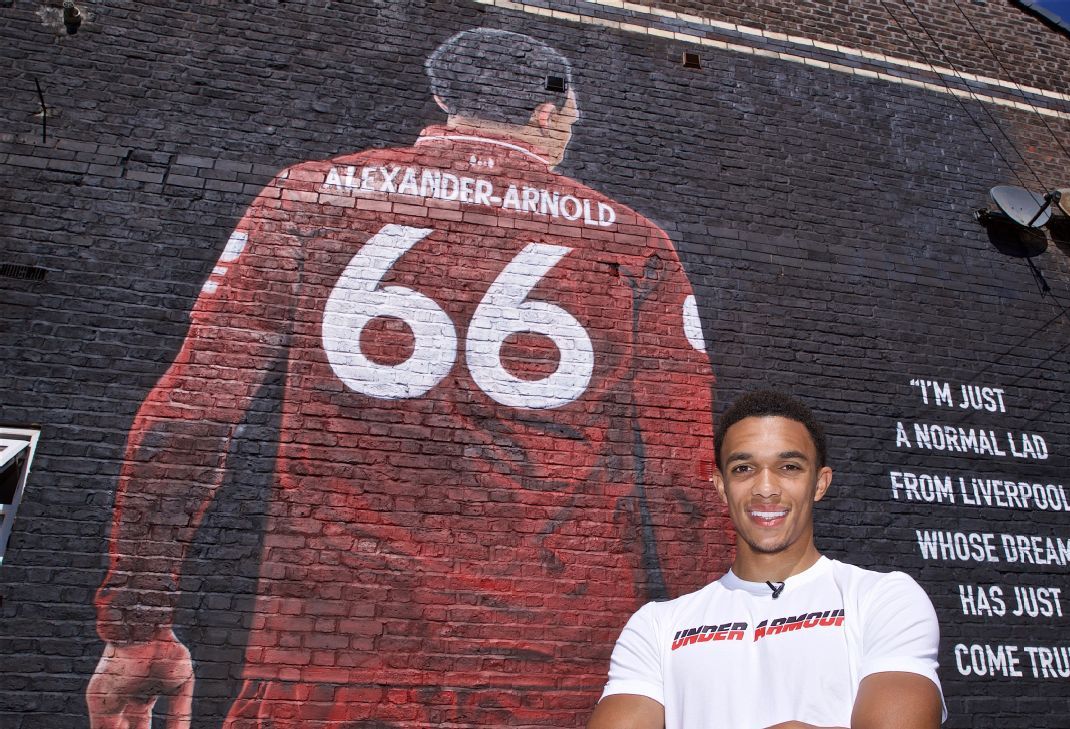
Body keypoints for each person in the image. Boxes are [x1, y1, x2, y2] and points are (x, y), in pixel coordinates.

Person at [88, 28, 719, 728]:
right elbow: (683, 480)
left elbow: (192, 418)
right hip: (557, 669)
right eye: (570, 113)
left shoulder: (308, 195)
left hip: (329, 657)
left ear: (444, 97)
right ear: (548, 110)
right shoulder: (634, 242)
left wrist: (137, 620)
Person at [589, 390, 944, 729]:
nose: (766, 488)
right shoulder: (657, 626)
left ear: (820, 484)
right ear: (720, 486)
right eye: (744, 468)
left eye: (789, 466)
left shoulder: (882, 599)